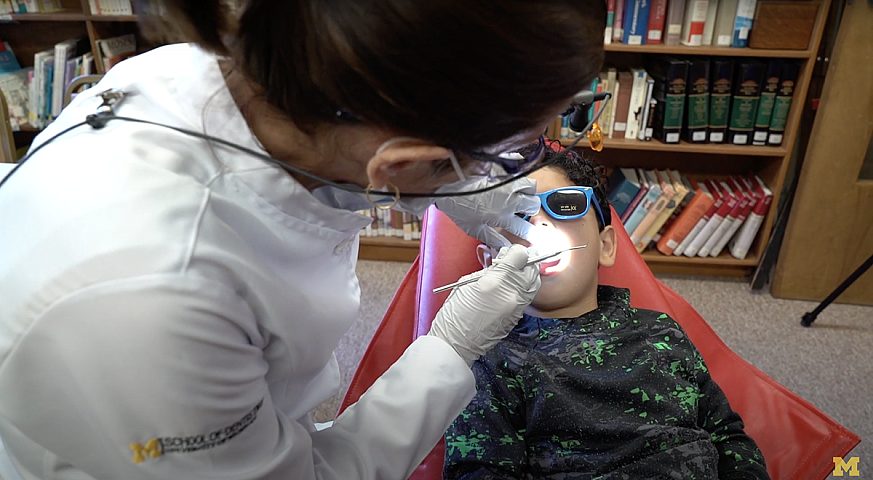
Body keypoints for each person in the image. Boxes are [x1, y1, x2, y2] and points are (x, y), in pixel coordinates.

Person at [0, 1, 608, 479]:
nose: (510, 172)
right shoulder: (150, 303)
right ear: (398, 164)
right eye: (506, 156)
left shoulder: (259, 71)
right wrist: (449, 348)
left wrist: (464, 183)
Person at [444, 145, 770, 480]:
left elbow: (728, 437)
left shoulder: (661, 331)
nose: (539, 224)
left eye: (564, 205)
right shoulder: (490, 360)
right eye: (517, 214)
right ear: (490, 262)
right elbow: (477, 471)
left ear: (606, 246)